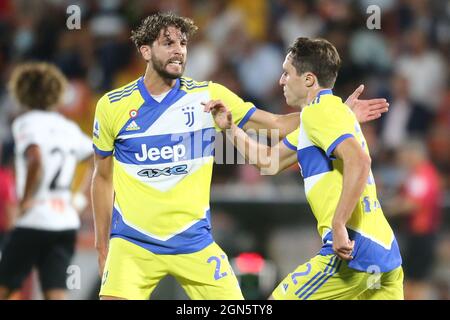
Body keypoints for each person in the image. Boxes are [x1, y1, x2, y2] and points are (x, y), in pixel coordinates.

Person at [92, 13, 389, 300]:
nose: (179, 51)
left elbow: (274, 124)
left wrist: (338, 115)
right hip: (133, 243)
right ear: (145, 50)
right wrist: (102, 245)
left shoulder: (207, 96)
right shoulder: (112, 107)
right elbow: (103, 179)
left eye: (183, 43)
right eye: (168, 43)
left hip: (195, 243)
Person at [205, 37, 403, 300]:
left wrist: (339, 223)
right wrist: (230, 127)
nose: (281, 81)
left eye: (287, 73)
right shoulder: (323, 116)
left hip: (353, 253)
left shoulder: (318, 113)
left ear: (308, 79)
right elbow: (269, 161)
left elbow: (360, 161)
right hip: (384, 255)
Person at [0, 63, 93, 300]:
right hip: (65, 221)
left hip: (35, 218)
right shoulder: (69, 128)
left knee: (6, 286)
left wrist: (27, 199)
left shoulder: (27, 122)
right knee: (55, 292)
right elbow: (98, 156)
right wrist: (79, 198)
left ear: (23, 92)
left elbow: (35, 157)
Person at [387, 139, 442, 299]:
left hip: (421, 234)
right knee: (412, 280)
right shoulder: (420, 174)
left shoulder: (422, 174)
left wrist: (387, 210)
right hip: (418, 234)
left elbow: (413, 203)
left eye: (407, 155)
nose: (404, 159)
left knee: (415, 281)